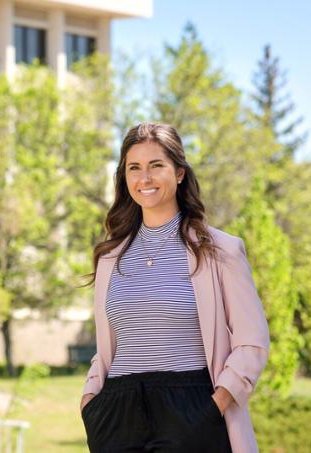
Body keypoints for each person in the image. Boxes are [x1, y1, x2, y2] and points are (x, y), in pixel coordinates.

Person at [79, 122, 270, 453]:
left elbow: (252, 342)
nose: (145, 178)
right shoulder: (110, 258)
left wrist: (215, 405)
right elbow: (109, 346)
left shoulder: (219, 251)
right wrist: (89, 402)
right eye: (134, 168)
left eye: (157, 166)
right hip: (116, 414)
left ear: (179, 172)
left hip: (192, 410)